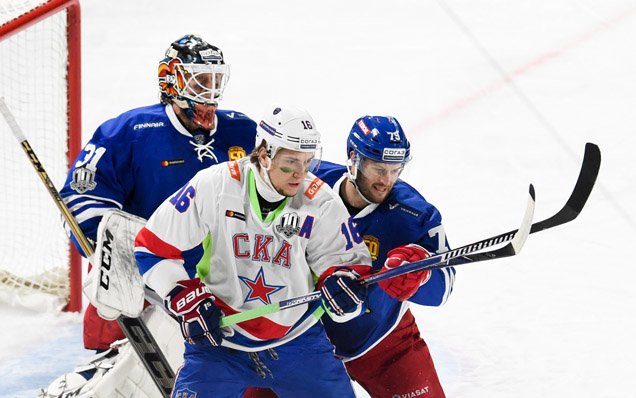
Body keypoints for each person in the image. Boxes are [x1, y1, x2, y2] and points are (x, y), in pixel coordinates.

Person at [44, 34, 256, 396]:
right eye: (200, 80)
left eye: (216, 80)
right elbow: (81, 199)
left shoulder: (242, 131)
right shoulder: (131, 132)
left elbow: (292, 175)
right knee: (117, 385)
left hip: (212, 292)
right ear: (170, 79)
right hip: (137, 291)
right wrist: (115, 252)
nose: (210, 91)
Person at [134, 104, 373, 397]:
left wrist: (342, 286)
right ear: (263, 154)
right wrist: (183, 296)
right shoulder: (216, 185)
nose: (300, 174)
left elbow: (349, 267)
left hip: (297, 341)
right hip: (220, 343)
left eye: (307, 162)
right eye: (290, 162)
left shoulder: (320, 200)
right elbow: (151, 246)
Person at [246, 115, 455, 398]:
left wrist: (420, 275)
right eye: (378, 169)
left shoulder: (413, 215)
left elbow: (443, 287)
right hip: (299, 340)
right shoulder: (305, 187)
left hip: (382, 341)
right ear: (354, 159)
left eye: (395, 170)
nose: (387, 181)